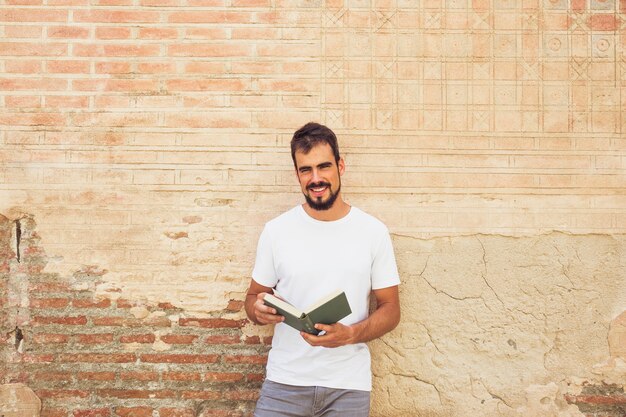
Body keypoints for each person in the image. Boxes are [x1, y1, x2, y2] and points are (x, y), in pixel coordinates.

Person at [245, 122, 401, 417]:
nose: (316, 179)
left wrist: (350, 334)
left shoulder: (373, 232)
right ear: (297, 174)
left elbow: (391, 308)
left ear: (340, 166)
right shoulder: (276, 231)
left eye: (323, 167)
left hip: (347, 386)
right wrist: (257, 310)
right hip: (284, 383)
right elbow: (253, 297)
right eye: (306, 170)